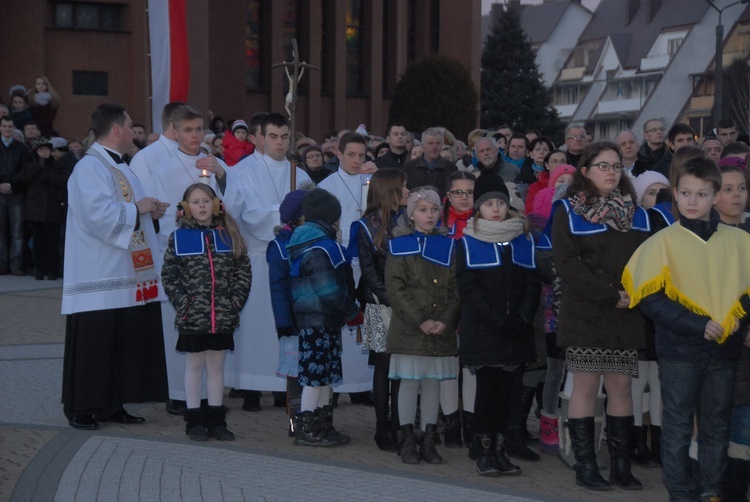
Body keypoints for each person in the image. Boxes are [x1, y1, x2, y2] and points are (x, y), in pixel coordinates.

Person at [623, 156, 750, 501]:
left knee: (716, 426)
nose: (694, 201)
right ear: (675, 194)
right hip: (680, 352)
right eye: (687, 193)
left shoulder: (739, 241)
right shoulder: (661, 242)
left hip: (724, 350)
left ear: (714, 197)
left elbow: (746, 289)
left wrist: (740, 315)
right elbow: (650, 299)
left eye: (703, 194)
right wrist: (698, 324)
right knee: (678, 427)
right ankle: (680, 492)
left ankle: (711, 490)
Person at [61, 103, 169, 430]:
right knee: (96, 343)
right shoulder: (89, 169)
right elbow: (97, 216)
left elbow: (129, 210)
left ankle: (112, 404)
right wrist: (139, 208)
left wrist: (149, 211)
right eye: (130, 125)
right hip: (99, 275)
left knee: (122, 341)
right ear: (117, 130)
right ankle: (81, 407)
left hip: (126, 274)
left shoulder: (121, 167)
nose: (134, 131)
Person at [550, 141, 650, 491]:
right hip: (587, 310)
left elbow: (649, 263)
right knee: (587, 386)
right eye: (603, 166)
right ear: (586, 170)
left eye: (616, 167)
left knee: (621, 386)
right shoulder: (567, 210)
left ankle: (621, 466)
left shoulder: (638, 213)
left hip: (626, 311)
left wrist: (633, 294)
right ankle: (585, 464)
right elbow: (566, 265)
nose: (610, 172)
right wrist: (609, 295)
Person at [216, 112, 312, 412]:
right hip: (257, 259)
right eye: (273, 136)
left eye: (285, 136)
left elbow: (311, 210)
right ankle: (250, 386)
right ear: (259, 138)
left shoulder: (300, 173)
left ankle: (284, 385)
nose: (280, 142)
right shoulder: (241, 172)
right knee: (255, 325)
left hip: (291, 260)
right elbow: (239, 213)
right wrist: (283, 214)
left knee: (284, 324)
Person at [457, 170, 541, 476]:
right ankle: (484, 449)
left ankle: (502, 449)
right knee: (487, 393)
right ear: (478, 207)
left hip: (515, 332)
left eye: (500, 203)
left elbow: (532, 285)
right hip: (485, 332)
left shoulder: (522, 240)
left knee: (509, 394)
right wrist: (497, 321)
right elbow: (469, 290)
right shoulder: (468, 242)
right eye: (489, 203)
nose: (496, 208)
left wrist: (521, 317)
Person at [161, 184, 252, 441]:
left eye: (205, 201)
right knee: (194, 366)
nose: (201, 206)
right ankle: (194, 421)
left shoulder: (229, 235)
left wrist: (234, 303)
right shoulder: (179, 238)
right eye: (195, 202)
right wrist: (184, 304)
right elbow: (170, 275)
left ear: (215, 205)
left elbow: (242, 272)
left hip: (223, 316)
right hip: (194, 317)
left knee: (217, 366)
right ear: (186, 208)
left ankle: (216, 420)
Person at [152, 104, 226, 416]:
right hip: (186, 255)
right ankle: (180, 395)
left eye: (199, 129)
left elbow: (231, 207)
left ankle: (215, 406)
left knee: (216, 351)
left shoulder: (216, 163)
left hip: (217, 259)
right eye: (188, 130)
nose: (195, 135)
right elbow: (162, 214)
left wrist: (222, 175)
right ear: (175, 132)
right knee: (188, 343)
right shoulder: (164, 169)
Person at [385, 186, 461, 465]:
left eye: (433, 210)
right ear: (412, 215)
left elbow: (456, 288)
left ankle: (428, 439)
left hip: (440, 330)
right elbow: (396, 288)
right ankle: (406, 440)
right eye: (422, 210)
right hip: (410, 329)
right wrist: (421, 319)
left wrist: (446, 320)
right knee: (410, 382)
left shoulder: (449, 245)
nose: (429, 215)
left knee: (432, 384)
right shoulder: (400, 245)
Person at [288, 188, 360, 446]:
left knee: (326, 376)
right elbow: (327, 289)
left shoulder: (309, 242)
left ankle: (322, 424)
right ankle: (306, 428)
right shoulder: (320, 248)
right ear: (333, 219)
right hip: (317, 319)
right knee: (314, 377)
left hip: (324, 319)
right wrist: (352, 311)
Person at [351, 168, 409, 451]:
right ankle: (381, 428)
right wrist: (390, 297)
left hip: (405, 304)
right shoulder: (366, 225)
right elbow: (368, 269)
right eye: (404, 187)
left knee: (400, 366)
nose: (409, 192)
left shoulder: (408, 219)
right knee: (383, 365)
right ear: (391, 190)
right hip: (378, 304)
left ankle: (400, 423)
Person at [318, 132, 377, 402]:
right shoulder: (328, 186)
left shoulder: (373, 181)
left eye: (361, 155)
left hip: (371, 265)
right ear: (339, 154)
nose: (356, 160)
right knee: (344, 321)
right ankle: (337, 386)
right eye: (350, 155)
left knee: (370, 319)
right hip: (343, 262)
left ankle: (366, 383)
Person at [713, 163, 750, 501]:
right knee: (727, 425)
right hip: (721, 345)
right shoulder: (708, 238)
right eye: (728, 189)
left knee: (744, 430)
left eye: (741, 188)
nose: (736, 195)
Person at [267, 188, 310, 434]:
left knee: (314, 367)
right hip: (293, 319)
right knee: (295, 371)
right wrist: (282, 321)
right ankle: (296, 418)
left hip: (314, 316)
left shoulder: (315, 239)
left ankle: (315, 413)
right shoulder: (280, 247)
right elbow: (278, 287)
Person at [443, 170, 478, 450]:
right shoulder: (440, 223)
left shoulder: (483, 223)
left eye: (469, 192)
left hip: (474, 305)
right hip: (444, 302)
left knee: (471, 367)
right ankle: (450, 424)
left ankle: (472, 423)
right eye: (458, 192)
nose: (464, 198)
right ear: (449, 196)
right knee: (447, 366)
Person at [19, 137, 68, 280]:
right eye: (41, 149)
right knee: (38, 243)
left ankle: (52, 271)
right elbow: (24, 178)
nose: (44, 152)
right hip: (36, 211)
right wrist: (39, 165)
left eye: (46, 149)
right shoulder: (30, 165)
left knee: (52, 243)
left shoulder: (57, 165)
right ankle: (39, 270)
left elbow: (63, 180)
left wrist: (47, 173)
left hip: (53, 210)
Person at [128, 101, 184, 195]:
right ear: (174, 124)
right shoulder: (144, 157)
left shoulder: (200, 156)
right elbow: (141, 197)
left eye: (198, 128)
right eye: (189, 127)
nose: (195, 133)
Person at [0, 115, 30, 275]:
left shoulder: (21, 147)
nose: (7, 129)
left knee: (17, 232)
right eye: (4, 126)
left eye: (10, 126)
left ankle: (16, 266)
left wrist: (12, 184)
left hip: (15, 193)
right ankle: (1, 265)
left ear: (13, 128)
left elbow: (25, 170)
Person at [402, 128, 458, 199]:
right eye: (430, 143)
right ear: (422, 146)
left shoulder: (451, 168)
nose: (434, 147)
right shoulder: (409, 167)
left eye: (438, 143)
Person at [525, 150, 567, 214]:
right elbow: (530, 213)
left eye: (563, 161)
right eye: (554, 161)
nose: (559, 165)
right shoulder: (535, 187)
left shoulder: (575, 185)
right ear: (547, 165)